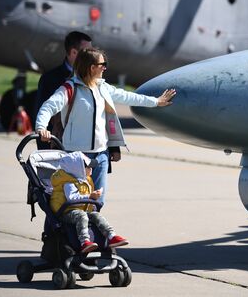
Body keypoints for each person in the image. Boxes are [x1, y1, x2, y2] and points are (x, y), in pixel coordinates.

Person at [36, 47, 176, 204]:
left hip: (101, 156)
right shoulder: (69, 89)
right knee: (73, 202)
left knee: (97, 201)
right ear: (92, 67)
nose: (105, 67)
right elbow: (48, 107)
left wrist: (156, 101)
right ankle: (62, 229)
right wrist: (41, 128)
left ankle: (90, 228)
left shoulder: (102, 87)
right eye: (103, 64)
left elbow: (128, 97)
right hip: (77, 157)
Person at [50, 151, 128, 253]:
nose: (91, 169)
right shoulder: (68, 183)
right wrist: (90, 196)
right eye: (88, 167)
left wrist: (94, 196)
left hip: (81, 210)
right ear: (78, 170)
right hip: (67, 212)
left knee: (96, 215)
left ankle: (111, 236)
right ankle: (84, 242)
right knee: (82, 215)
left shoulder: (85, 180)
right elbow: (72, 199)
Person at [35, 31, 92, 149]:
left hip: (90, 148)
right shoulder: (50, 79)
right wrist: (45, 149)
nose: (92, 56)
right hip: (60, 147)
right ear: (73, 52)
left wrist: (113, 148)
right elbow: (42, 112)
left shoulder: (94, 79)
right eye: (87, 52)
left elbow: (104, 115)